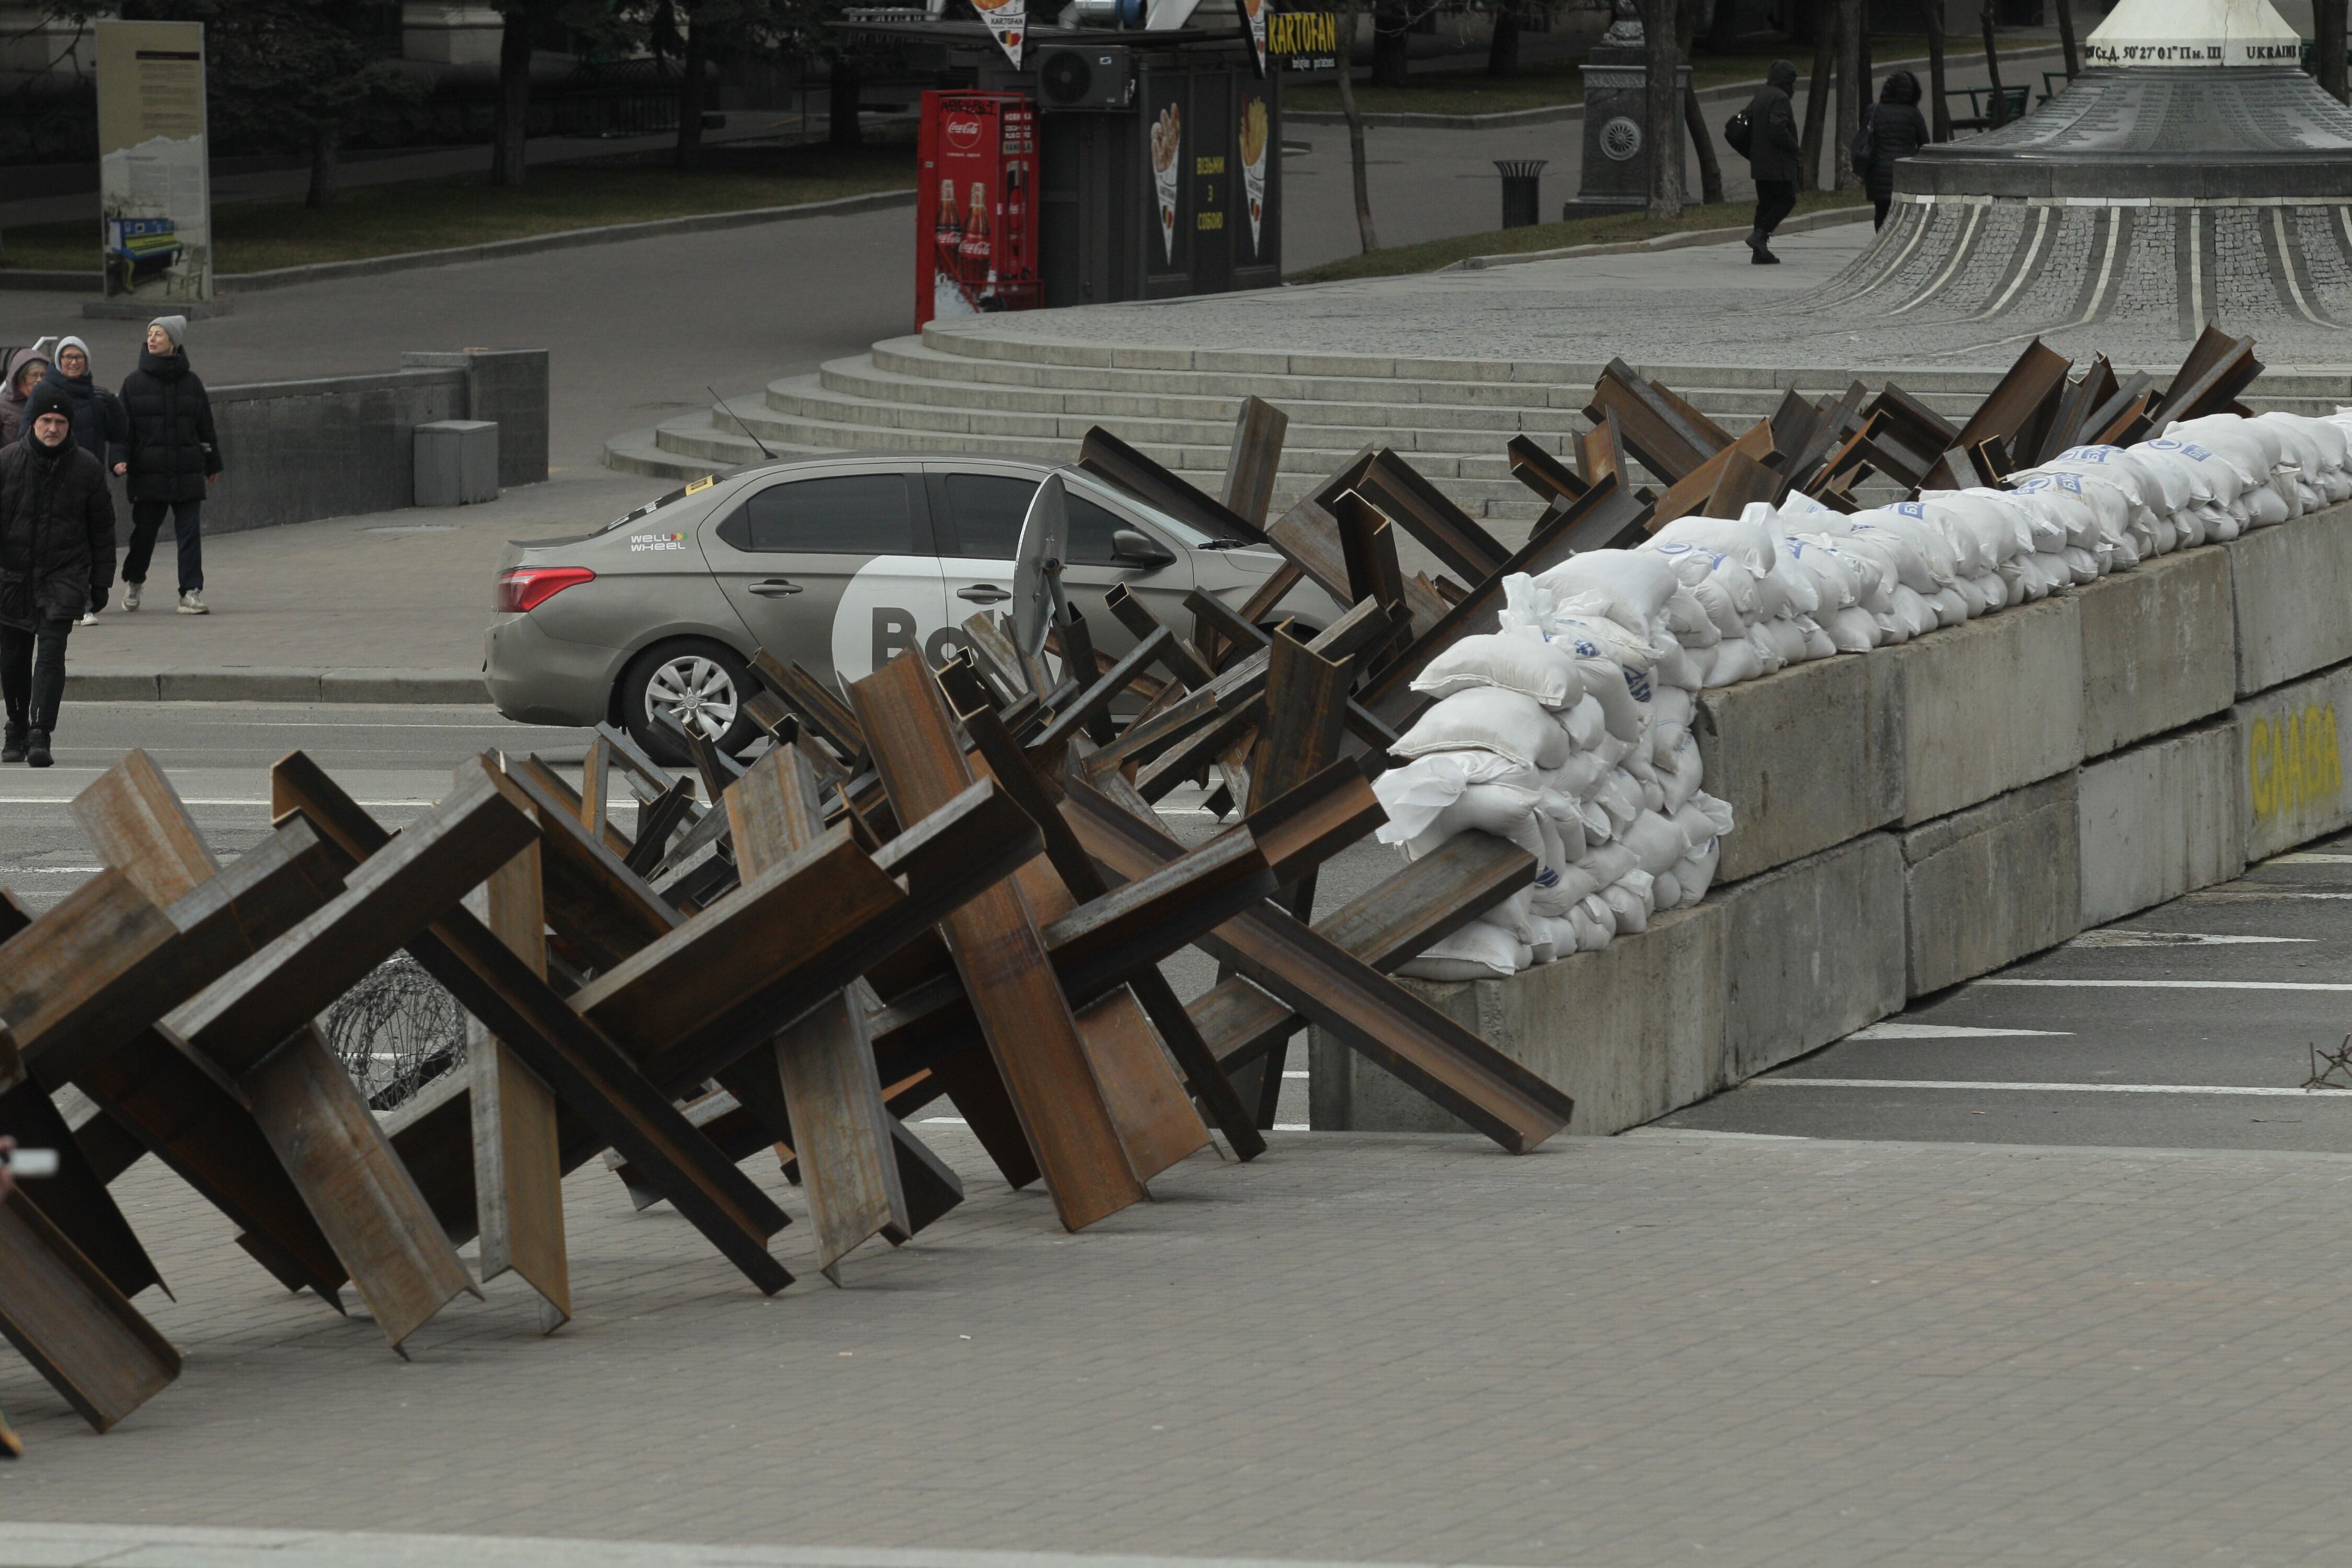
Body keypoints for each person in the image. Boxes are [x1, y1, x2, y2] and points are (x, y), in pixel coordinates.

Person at [0, 381, 114, 767]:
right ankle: (15, 728)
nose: (53, 428)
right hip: (12, 577)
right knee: (13, 658)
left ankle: (39, 733)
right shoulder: (8, 462)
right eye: (46, 420)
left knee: (50, 654)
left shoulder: (87, 468)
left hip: (63, 576)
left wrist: (100, 582)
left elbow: (102, 529)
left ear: (70, 426)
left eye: (61, 421)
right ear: (33, 422)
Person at [118, 315, 219, 616]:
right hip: (149, 473)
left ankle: (191, 592)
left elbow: (206, 426)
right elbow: (124, 429)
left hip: (187, 470)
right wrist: (119, 459)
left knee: (190, 534)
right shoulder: (133, 383)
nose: (151, 339)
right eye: (149, 333)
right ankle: (135, 581)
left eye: (158, 334)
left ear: (173, 342)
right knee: (145, 535)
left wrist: (212, 461)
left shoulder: (192, 383)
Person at [44, 336, 129, 627]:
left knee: (90, 541)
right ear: (58, 361)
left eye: (79, 357)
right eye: (67, 356)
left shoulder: (100, 397)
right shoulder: (45, 393)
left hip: (90, 480)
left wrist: (117, 460)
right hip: (52, 480)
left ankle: (86, 604)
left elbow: (119, 432)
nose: (73, 361)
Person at [1741, 60, 1804, 266]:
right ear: (1785, 81)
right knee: (1786, 200)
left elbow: (1747, 122)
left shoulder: (1762, 94)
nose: (1793, 86)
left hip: (1759, 159)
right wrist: (1795, 147)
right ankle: (1759, 236)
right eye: (1792, 81)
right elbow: (1777, 129)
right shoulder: (1781, 98)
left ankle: (1759, 252)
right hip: (1777, 162)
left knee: (1766, 203)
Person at [1859, 70, 1930, 231]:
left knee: (1882, 211)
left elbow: (1864, 136)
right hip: (1905, 173)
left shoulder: (1875, 111)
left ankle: (1881, 242)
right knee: (1904, 214)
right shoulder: (1913, 115)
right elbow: (1925, 143)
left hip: (1879, 172)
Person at [0, 342, 54, 446]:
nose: (39, 380)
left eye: (43, 375)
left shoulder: (51, 402)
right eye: (34, 375)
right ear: (20, 377)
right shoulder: (2, 405)